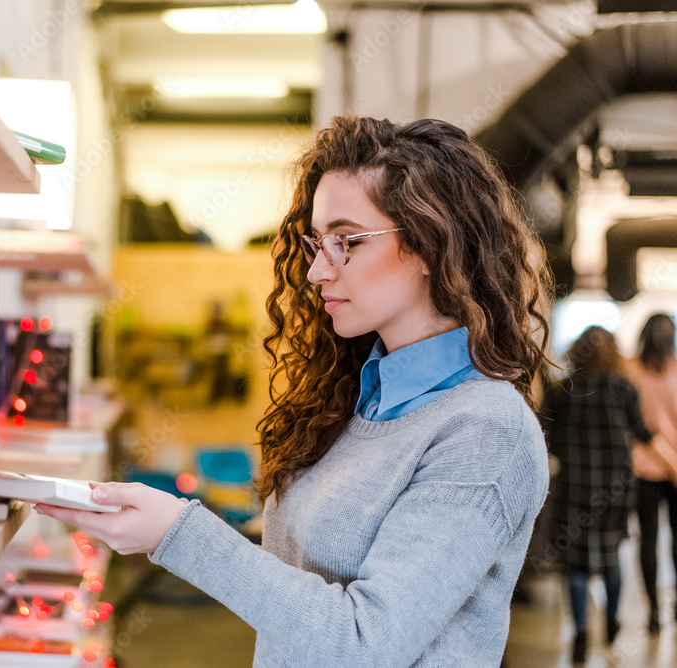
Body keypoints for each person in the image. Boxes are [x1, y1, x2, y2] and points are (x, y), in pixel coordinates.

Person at [35, 116, 552, 666]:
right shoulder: (359, 399)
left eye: (346, 241)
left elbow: (365, 642)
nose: (315, 273)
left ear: (429, 243)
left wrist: (177, 533)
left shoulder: (487, 430)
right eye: (316, 243)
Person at [541, 326, 651, 664]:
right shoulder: (624, 388)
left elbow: (548, 436)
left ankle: (581, 632)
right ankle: (613, 623)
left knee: (574, 565)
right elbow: (641, 433)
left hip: (574, 486)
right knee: (611, 557)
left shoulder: (563, 391)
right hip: (615, 489)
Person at [627, 313, 677, 634]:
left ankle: (655, 613)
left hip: (643, 468)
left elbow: (635, 426)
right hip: (674, 469)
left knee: (648, 540)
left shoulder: (631, 371)